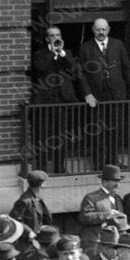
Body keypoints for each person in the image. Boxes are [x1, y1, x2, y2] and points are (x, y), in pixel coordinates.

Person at [76, 17, 130, 165]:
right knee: (98, 130)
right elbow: (80, 73)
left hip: (116, 95)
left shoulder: (118, 45)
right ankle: (99, 162)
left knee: (115, 129)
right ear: (93, 30)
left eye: (103, 29)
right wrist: (87, 93)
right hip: (96, 96)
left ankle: (114, 161)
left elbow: (126, 68)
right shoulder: (85, 48)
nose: (101, 32)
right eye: (98, 29)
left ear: (108, 29)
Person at [28, 23, 85, 171]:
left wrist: (62, 54)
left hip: (62, 101)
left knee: (62, 136)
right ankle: (41, 168)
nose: (55, 38)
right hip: (44, 102)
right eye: (52, 36)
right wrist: (53, 53)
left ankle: (60, 167)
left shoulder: (67, 54)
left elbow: (75, 70)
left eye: (58, 35)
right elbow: (40, 68)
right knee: (42, 136)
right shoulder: (40, 54)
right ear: (47, 39)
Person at [10, 168, 51, 235]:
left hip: (39, 233)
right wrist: (29, 232)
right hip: (28, 238)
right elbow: (14, 219)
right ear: (42, 184)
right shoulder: (24, 201)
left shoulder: (37, 197)